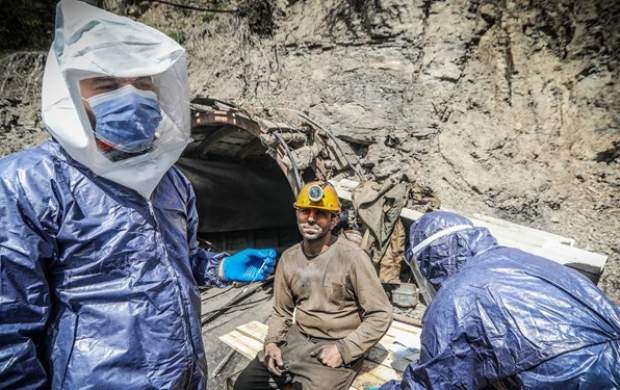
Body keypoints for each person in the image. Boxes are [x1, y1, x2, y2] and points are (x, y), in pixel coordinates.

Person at [0, 1, 276, 389]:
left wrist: (218, 267)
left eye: (143, 83)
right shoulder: (29, 183)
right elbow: (7, 334)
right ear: (70, 92)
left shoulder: (170, 181)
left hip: (185, 376)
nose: (132, 96)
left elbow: (174, 259)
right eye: (108, 84)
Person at [378, 211, 620, 389]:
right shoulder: (521, 258)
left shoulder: (456, 298)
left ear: (432, 259)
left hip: (568, 379)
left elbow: (435, 382)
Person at [234, 182, 393, 390]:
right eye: (304, 211)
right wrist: (272, 342)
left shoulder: (352, 258)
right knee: (244, 385)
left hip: (334, 347)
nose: (310, 218)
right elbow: (281, 311)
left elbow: (381, 314)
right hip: (295, 340)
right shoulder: (289, 259)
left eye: (320, 213)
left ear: (334, 220)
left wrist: (344, 350)